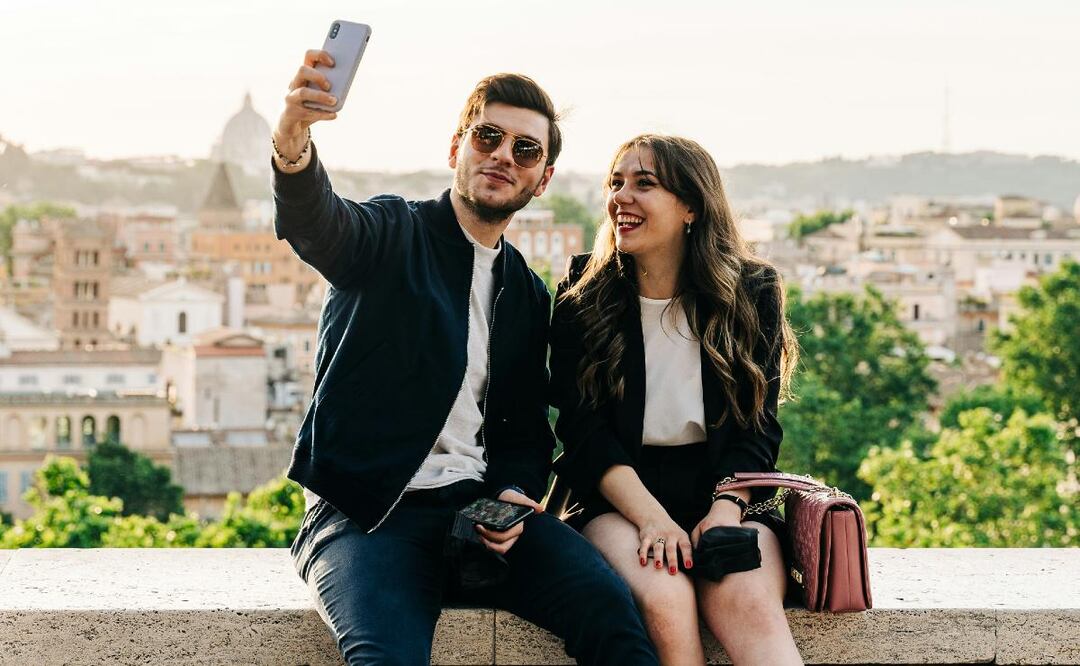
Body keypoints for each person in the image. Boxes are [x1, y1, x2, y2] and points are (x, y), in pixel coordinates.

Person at [271, 50, 657, 665]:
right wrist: (294, 140)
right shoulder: (392, 234)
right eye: (488, 136)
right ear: (458, 148)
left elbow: (526, 428)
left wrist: (511, 493)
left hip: (477, 512)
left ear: (543, 178)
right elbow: (321, 227)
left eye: (525, 150)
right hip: (369, 517)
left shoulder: (526, 293)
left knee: (617, 623)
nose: (504, 155)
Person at [549, 134, 803, 665]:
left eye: (645, 183)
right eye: (615, 182)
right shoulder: (583, 291)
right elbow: (582, 432)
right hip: (618, 495)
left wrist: (726, 509)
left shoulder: (751, 292)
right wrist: (652, 519)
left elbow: (758, 429)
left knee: (749, 600)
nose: (622, 196)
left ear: (691, 206)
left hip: (724, 491)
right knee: (665, 600)